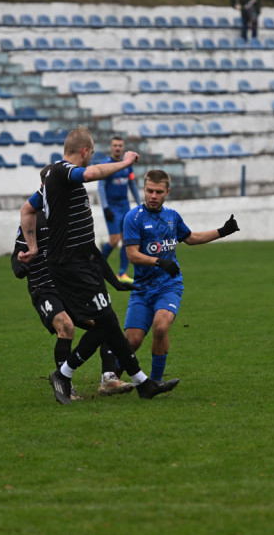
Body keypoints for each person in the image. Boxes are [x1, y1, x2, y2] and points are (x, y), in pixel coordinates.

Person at [18, 126, 179, 405]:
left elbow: (27, 210)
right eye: (92, 153)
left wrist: (33, 247)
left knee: (108, 322)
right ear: (85, 151)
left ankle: (142, 383)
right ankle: (64, 374)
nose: (92, 159)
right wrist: (126, 162)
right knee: (104, 323)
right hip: (71, 266)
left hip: (81, 263)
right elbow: (91, 174)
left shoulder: (54, 183)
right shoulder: (62, 171)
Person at [12, 172, 135, 399]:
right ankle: (65, 384)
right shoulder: (33, 219)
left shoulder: (70, 216)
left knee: (108, 322)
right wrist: (22, 264)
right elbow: (16, 259)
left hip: (70, 285)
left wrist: (115, 281)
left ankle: (109, 379)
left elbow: (92, 252)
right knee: (66, 326)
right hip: (44, 288)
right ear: (43, 188)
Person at [123, 170, 239, 382]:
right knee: (132, 341)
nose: (153, 196)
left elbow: (191, 238)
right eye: (149, 191)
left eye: (158, 192)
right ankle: (112, 378)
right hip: (142, 288)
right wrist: (159, 261)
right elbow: (132, 255)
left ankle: (155, 383)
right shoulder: (134, 218)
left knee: (160, 327)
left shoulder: (172, 217)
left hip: (169, 286)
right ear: (144, 189)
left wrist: (222, 231)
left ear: (167, 192)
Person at [97, 136, 142, 284]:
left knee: (126, 240)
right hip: (111, 207)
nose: (117, 148)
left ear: (123, 148)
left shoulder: (127, 165)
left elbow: (132, 185)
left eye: (120, 145)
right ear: (111, 147)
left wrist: (139, 204)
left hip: (124, 206)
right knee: (114, 240)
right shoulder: (106, 164)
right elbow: (101, 187)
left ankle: (122, 273)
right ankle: (98, 267)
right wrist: (105, 207)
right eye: (115, 145)